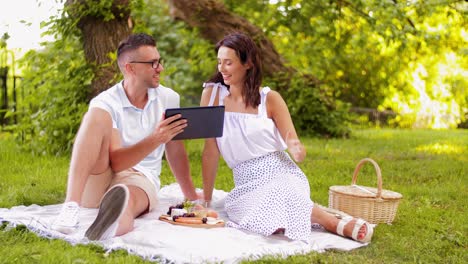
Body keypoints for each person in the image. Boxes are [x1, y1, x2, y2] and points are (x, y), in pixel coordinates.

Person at [200, 32, 374, 243]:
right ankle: (323, 215)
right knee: (261, 216)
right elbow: (210, 150)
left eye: (228, 62)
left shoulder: (269, 99)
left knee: (278, 192)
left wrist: (296, 148)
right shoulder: (212, 96)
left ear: (248, 64)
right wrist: (207, 200)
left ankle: (333, 224)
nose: (221, 69)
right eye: (219, 62)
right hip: (245, 180)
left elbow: (291, 137)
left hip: (279, 169)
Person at [51, 33, 200, 240]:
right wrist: (156, 139)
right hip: (101, 176)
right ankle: (70, 206)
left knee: (127, 198)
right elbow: (118, 162)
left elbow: (175, 151)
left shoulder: (169, 98)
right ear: (130, 68)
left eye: (159, 61)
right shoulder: (105, 102)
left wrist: (191, 196)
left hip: (140, 178)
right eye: (153, 63)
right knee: (95, 115)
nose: (160, 68)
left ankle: (109, 227)